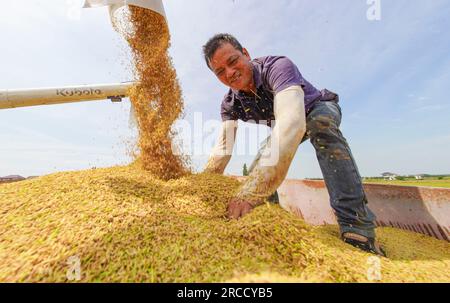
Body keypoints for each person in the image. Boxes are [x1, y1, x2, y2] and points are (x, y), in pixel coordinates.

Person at [202, 33, 386, 257]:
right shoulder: (230, 104)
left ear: (246, 54)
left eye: (233, 62)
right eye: (220, 72)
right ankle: (270, 221)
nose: (230, 73)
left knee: (321, 124)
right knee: (257, 166)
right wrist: (203, 184)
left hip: (315, 108)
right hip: (285, 127)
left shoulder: (277, 67)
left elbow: (292, 123)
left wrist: (250, 193)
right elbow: (223, 150)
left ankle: (356, 226)